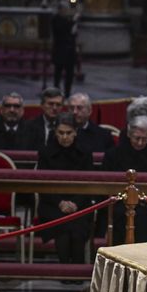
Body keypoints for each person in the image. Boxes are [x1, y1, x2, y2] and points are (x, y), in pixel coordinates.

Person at [102, 115, 147, 244]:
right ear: (129, 134)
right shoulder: (114, 154)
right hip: (121, 205)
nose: (140, 142)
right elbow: (106, 184)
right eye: (137, 138)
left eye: (145, 139)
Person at [36, 113, 93, 265]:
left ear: (75, 132)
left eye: (68, 133)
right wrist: (60, 203)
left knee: (77, 228)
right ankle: (65, 270)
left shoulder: (85, 152)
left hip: (80, 204)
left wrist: (75, 204)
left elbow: (88, 183)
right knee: (62, 226)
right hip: (53, 204)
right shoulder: (46, 152)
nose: (65, 137)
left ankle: (77, 270)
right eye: (61, 133)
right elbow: (43, 184)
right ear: (55, 133)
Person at [50, 2, 79, 97]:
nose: (66, 11)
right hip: (60, 51)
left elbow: (71, 33)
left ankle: (67, 92)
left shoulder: (66, 19)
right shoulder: (56, 19)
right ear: (60, 10)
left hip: (70, 52)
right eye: (65, 9)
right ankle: (56, 92)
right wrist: (73, 21)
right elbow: (62, 30)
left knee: (69, 75)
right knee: (58, 74)